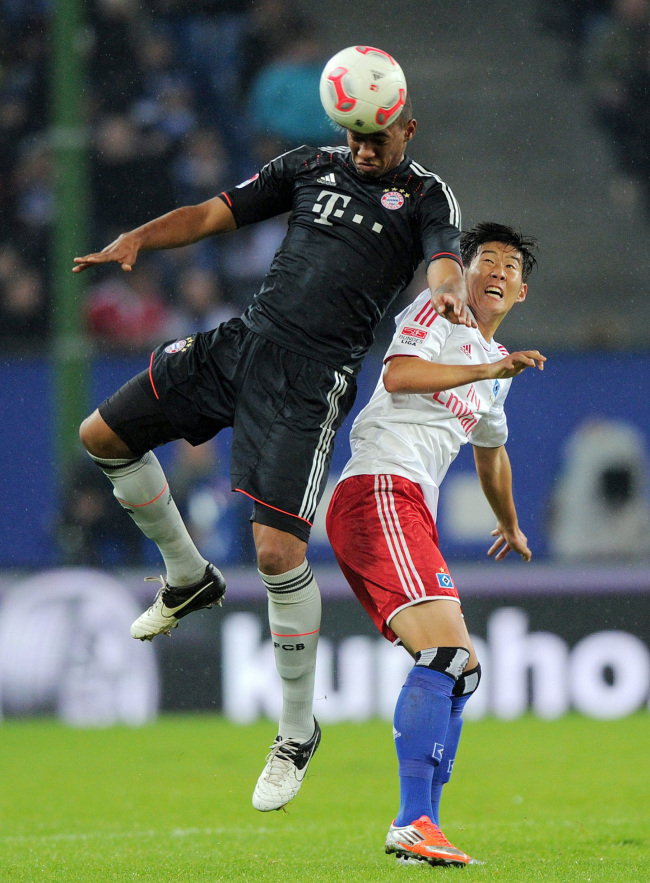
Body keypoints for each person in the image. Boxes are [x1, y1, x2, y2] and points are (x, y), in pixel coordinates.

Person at [73, 77, 474, 813]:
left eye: (376, 138)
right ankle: (186, 573)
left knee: (276, 555)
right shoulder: (306, 166)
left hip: (309, 383)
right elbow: (210, 212)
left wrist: (448, 284)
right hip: (243, 344)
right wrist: (139, 238)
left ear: (407, 130)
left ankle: (295, 732)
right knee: (102, 435)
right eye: (352, 135)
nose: (362, 148)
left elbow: (444, 254)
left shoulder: (425, 197)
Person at [326, 222, 545, 866]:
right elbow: (397, 376)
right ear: (465, 273)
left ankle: (421, 825)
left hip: (408, 505)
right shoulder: (438, 308)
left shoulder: (493, 373)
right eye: (485, 260)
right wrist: (488, 364)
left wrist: (507, 523)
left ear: (522, 292)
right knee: (448, 657)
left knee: (462, 669)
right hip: (379, 489)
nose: (496, 272)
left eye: (509, 265)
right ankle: (413, 821)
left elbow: (491, 455)